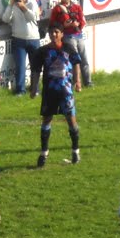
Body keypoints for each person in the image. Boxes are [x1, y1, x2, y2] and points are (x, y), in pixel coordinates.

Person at [30, 22, 82, 167]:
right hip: (49, 91)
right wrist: (34, 87)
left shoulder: (68, 48)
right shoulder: (43, 51)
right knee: (46, 120)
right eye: (52, 32)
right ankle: (44, 153)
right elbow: (36, 70)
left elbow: (76, 63)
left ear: (62, 34)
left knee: (71, 121)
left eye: (56, 32)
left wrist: (78, 81)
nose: (54, 35)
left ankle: (75, 151)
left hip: (66, 92)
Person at [2, 0, 41, 96]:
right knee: (20, 66)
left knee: (35, 65)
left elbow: (32, 19)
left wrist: (23, 7)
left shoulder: (32, 3)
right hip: (18, 40)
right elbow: (5, 19)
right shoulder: (13, 6)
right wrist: (10, 5)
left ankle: (35, 89)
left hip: (33, 39)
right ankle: (20, 90)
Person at [49, 0, 92, 87]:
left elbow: (82, 20)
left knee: (84, 59)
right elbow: (53, 23)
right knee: (73, 59)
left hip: (78, 35)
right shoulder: (57, 9)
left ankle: (88, 81)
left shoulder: (76, 7)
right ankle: (74, 82)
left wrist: (78, 26)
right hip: (67, 36)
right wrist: (64, 26)